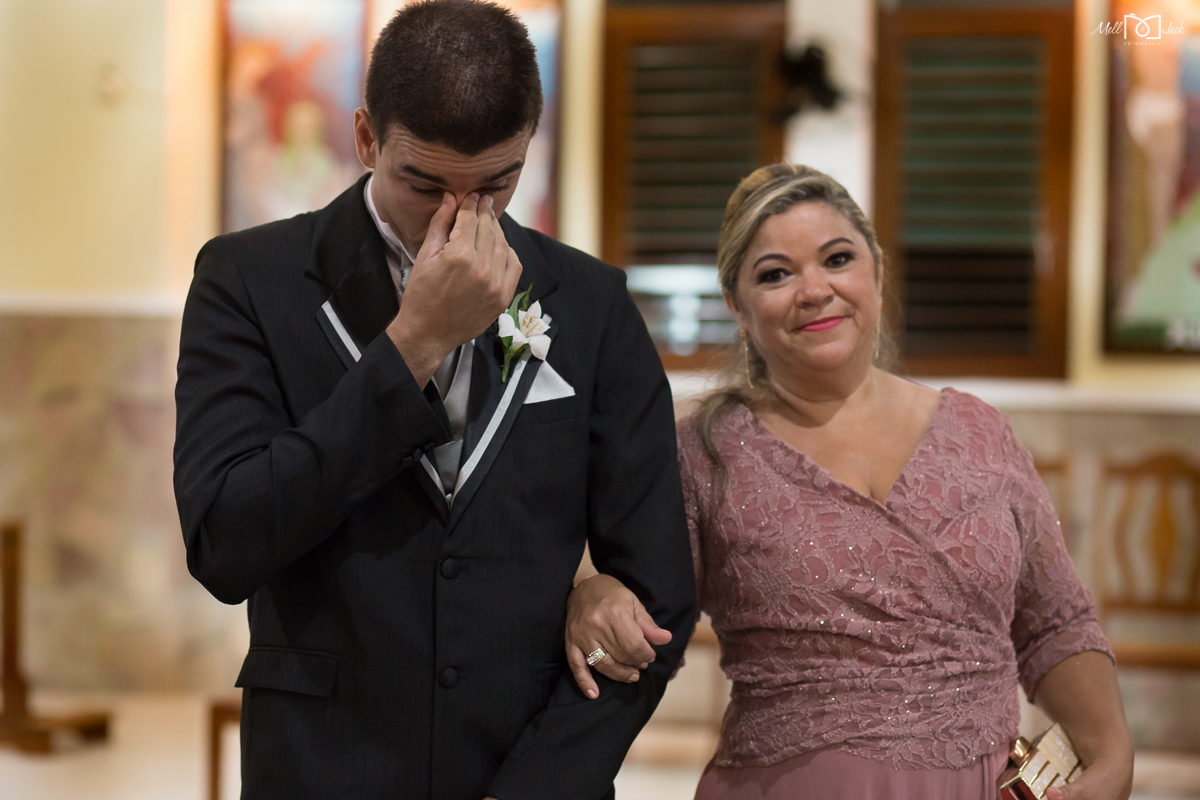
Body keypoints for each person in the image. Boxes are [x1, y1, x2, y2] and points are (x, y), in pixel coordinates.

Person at [172, 1, 695, 797]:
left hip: (526, 765)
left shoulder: (591, 302)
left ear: (529, 145)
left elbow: (655, 596)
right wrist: (412, 345)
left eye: (496, 184)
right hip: (324, 765)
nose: (460, 215)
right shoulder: (248, 280)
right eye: (424, 184)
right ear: (366, 138)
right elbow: (224, 541)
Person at [565, 164, 1134, 800]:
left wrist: (1112, 754)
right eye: (775, 274)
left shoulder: (981, 432)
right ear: (736, 306)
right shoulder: (703, 454)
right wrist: (588, 588)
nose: (815, 290)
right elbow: (635, 628)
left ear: (878, 272)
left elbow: (1054, 623)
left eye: (837, 259)